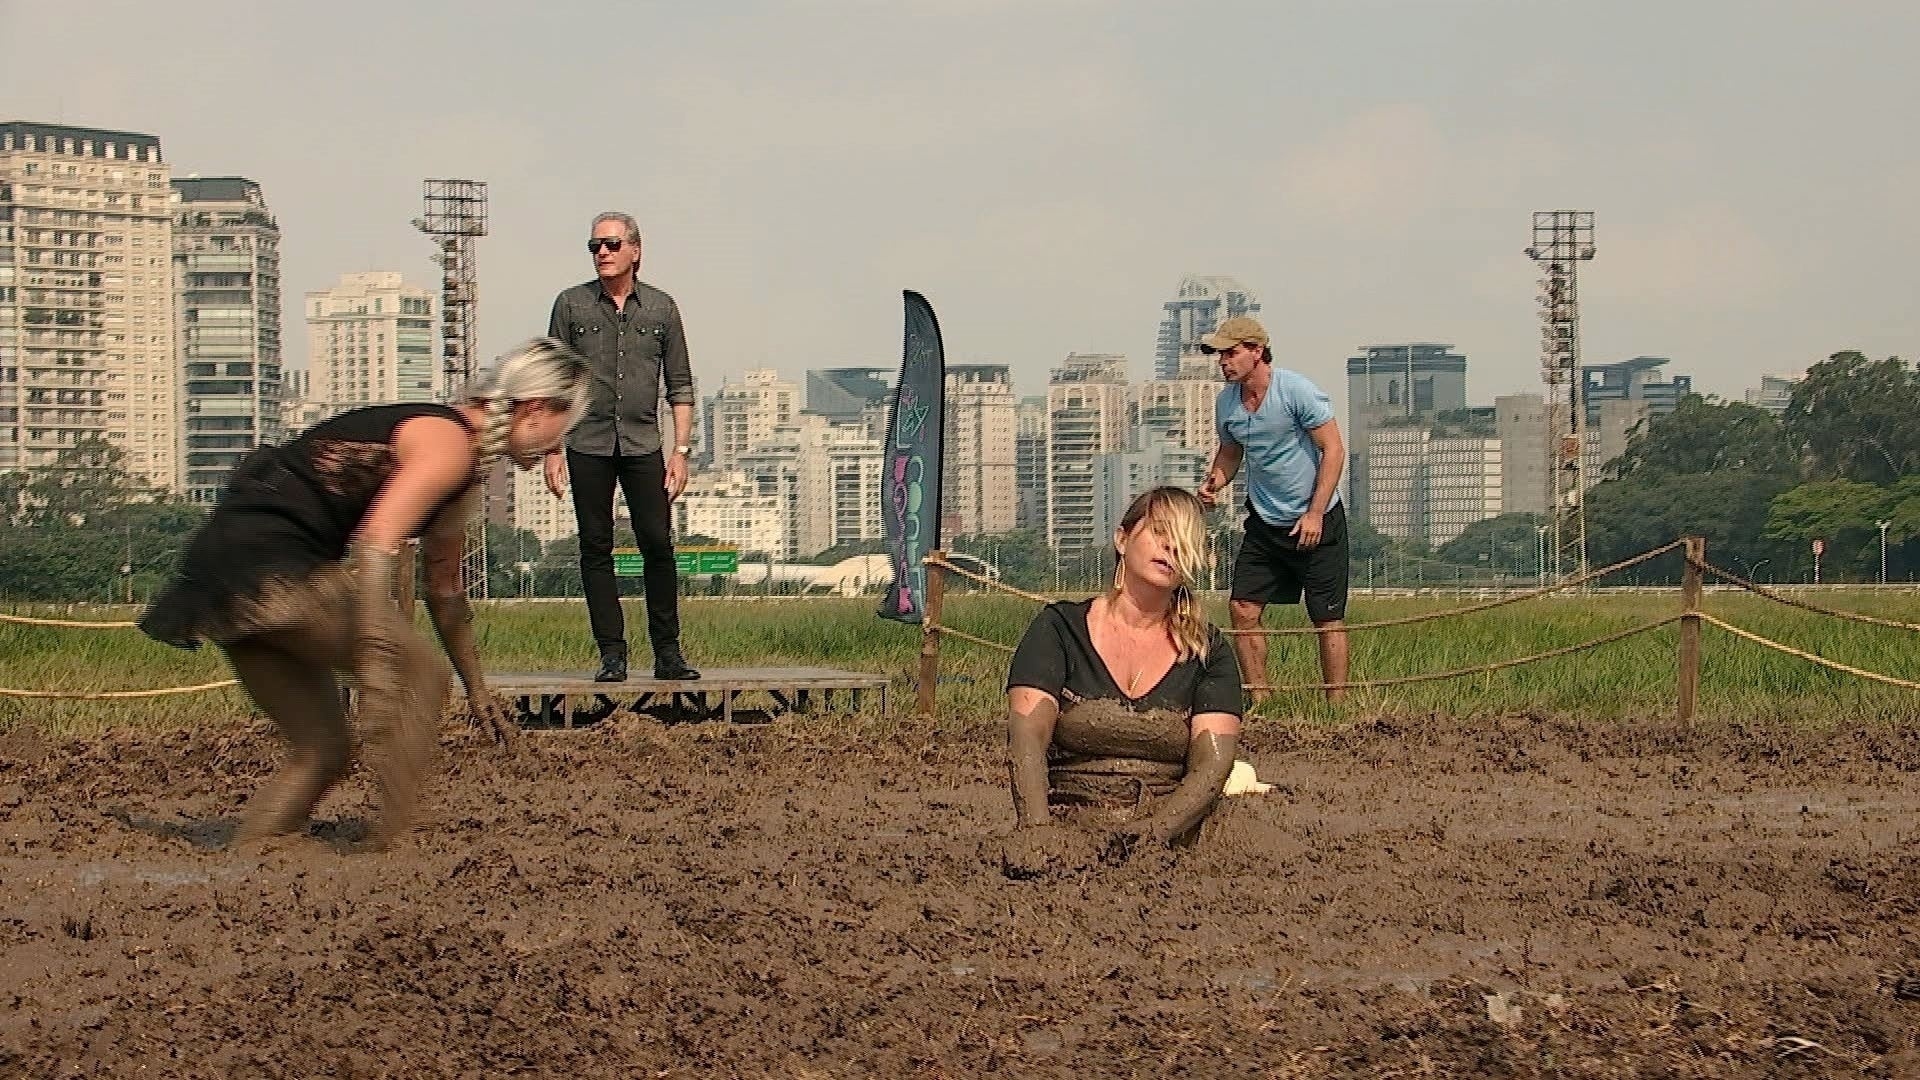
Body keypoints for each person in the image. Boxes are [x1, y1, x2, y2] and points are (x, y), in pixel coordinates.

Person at [138, 340, 590, 846]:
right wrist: (378, 665)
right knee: (422, 673)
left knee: (322, 752)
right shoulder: (448, 444)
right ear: (534, 409)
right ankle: (394, 842)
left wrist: (479, 689)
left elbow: (445, 593)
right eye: (563, 429)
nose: (559, 445)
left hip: (221, 578)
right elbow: (377, 545)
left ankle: (251, 861)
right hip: (273, 568)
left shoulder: (464, 468)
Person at [1002, 487, 1245, 873]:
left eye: (1185, 541)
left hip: (1171, 839)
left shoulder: (1209, 651)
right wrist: (1036, 830)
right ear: (1122, 538)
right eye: (1160, 531)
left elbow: (1213, 765)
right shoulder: (1058, 629)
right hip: (1070, 824)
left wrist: (1152, 837)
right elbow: (1027, 739)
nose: (1171, 547)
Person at [542, 211, 699, 684]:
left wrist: (681, 451)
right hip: (586, 444)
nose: (602, 254)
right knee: (595, 547)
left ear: (635, 249)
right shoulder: (571, 306)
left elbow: (681, 385)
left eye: (611, 245)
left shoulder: (661, 309)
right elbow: (553, 382)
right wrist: (552, 449)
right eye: (594, 246)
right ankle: (612, 654)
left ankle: (667, 653)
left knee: (657, 545)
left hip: (642, 445)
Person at [1196, 316, 1350, 704]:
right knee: (1242, 608)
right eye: (1220, 355)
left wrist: (1314, 513)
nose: (1223, 362)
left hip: (1317, 519)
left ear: (1256, 352)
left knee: (1326, 617)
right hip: (1265, 522)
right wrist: (1215, 482)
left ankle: (1335, 706)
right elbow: (1231, 453)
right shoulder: (1227, 403)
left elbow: (1333, 450)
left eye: (1230, 353)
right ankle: (1261, 700)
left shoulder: (1296, 391)